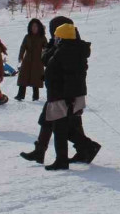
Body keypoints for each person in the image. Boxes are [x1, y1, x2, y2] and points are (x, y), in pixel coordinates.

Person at [21, 16, 100, 168]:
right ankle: (41, 150)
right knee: (50, 120)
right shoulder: (64, 41)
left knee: (66, 125)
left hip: (65, 92)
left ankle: (85, 148)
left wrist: (52, 51)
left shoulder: (67, 43)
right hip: (63, 91)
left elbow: (58, 65)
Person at [42, 23, 99, 171]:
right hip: (68, 95)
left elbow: (71, 77)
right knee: (65, 127)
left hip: (64, 96)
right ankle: (87, 147)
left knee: (60, 128)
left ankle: (62, 160)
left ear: (62, 38)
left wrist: (68, 96)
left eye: (57, 36)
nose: (55, 38)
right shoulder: (70, 50)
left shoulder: (66, 52)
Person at [17, 18, 47, 101]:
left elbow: (46, 48)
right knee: (23, 77)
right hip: (27, 60)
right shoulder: (27, 37)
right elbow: (23, 47)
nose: (34, 28)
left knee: (36, 78)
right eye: (32, 26)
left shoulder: (42, 37)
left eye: (36, 26)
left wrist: (45, 58)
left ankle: (35, 96)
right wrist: (20, 56)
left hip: (38, 61)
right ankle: (20, 95)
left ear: (39, 27)